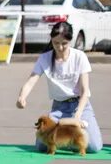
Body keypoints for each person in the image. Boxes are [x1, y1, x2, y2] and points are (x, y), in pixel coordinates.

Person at [16, 20, 103, 153]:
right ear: (51, 40)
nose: (60, 47)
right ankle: (66, 139)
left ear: (70, 41)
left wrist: (77, 116)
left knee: (94, 147)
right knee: (41, 145)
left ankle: (68, 139)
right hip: (59, 108)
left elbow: (85, 91)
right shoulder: (45, 58)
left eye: (64, 44)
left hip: (80, 107)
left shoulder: (80, 57)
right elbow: (30, 81)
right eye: (56, 43)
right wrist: (22, 97)